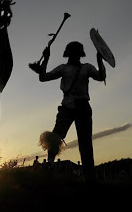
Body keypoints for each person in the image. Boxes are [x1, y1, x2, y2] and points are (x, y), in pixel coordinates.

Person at [35, 41, 106, 182]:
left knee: (85, 142)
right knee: (55, 138)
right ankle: (50, 165)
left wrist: (100, 60)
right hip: (67, 107)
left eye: (77, 53)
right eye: (74, 53)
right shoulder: (64, 69)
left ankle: (89, 176)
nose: (76, 56)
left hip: (83, 107)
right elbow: (43, 77)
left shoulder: (87, 68)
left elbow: (101, 76)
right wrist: (46, 59)